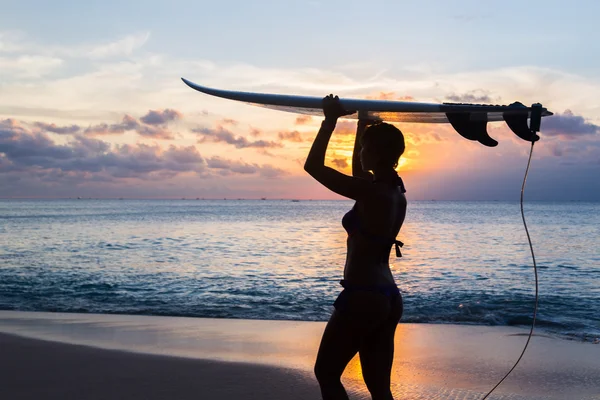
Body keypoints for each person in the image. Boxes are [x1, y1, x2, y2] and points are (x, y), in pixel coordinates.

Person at [304, 95, 407, 400]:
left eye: (364, 147)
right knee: (379, 389)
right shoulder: (394, 191)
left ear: (375, 154)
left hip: (363, 297)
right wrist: (363, 122)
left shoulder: (371, 193)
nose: (360, 152)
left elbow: (313, 166)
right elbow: (359, 173)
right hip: (388, 298)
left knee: (326, 373)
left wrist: (331, 120)